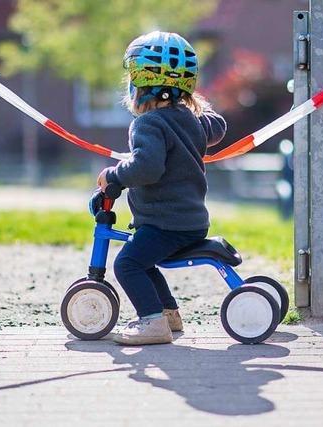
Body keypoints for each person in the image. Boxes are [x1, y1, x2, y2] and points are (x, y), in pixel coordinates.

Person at [93, 31, 226, 345]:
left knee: (126, 264)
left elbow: (147, 168)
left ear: (138, 84)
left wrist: (114, 176)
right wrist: (192, 106)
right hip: (189, 222)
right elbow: (218, 125)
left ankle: (153, 323)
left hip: (166, 224)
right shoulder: (190, 119)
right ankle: (168, 314)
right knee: (143, 260)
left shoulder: (148, 123)